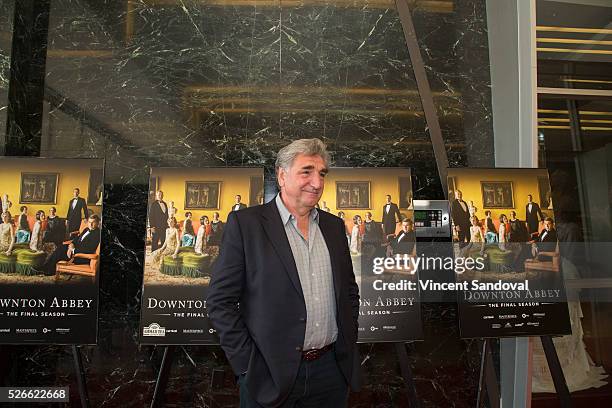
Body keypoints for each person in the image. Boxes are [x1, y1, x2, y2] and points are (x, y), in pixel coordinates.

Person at [207, 138, 360, 408]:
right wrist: (247, 365)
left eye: (322, 173)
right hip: (269, 375)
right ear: (281, 175)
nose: (317, 182)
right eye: (307, 171)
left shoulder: (335, 228)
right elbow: (220, 302)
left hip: (331, 372)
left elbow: (349, 292)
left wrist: (345, 345)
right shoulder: (247, 224)